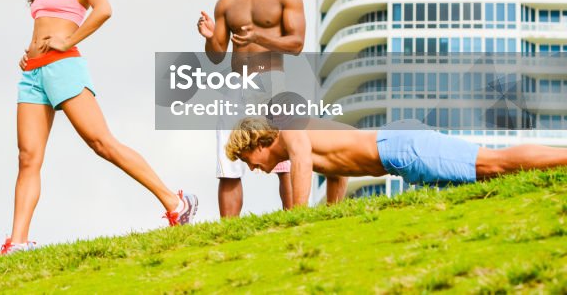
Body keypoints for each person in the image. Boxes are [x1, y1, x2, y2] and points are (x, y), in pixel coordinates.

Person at [3, 0, 198, 254]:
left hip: (63, 66)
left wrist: (68, 39)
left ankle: (174, 202)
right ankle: (17, 242)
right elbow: (46, 23)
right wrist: (30, 52)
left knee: (101, 142)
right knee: (28, 157)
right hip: (33, 73)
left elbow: (104, 9)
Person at [197, 0, 315, 217]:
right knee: (228, 160)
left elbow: (297, 43)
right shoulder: (226, 3)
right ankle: (227, 232)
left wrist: (260, 35)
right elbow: (216, 55)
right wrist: (210, 37)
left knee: (284, 158)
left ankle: (294, 219)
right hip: (236, 84)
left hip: (271, 80)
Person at [226, 116, 567, 207]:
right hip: (400, 155)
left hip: (402, 147)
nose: (251, 167)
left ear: (257, 142)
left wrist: (297, 219)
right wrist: (329, 216)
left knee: (493, 163)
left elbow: (300, 161)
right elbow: (338, 173)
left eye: (246, 159)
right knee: (489, 176)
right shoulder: (308, 146)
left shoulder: (290, 130)